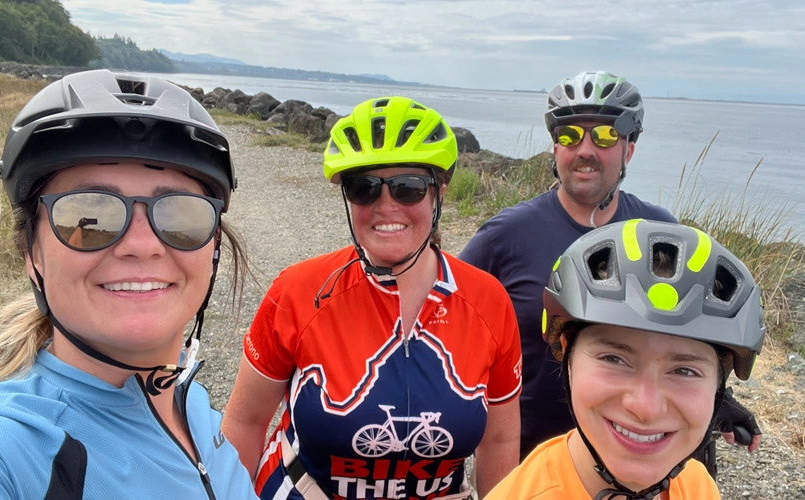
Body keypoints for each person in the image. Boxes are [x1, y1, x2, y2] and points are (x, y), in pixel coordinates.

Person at [0, 70, 259, 499]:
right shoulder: (10, 445)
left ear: (213, 248)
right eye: (89, 215)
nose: (142, 245)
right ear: (33, 254)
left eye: (181, 215)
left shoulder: (190, 401)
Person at [222, 96, 522, 500]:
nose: (385, 207)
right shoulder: (298, 291)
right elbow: (245, 420)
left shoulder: (487, 302)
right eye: (363, 189)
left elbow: (500, 441)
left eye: (408, 188)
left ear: (439, 192)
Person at [459, 70, 761, 470]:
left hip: (634, 459)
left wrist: (718, 401)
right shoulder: (506, 236)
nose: (585, 149)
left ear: (629, 150)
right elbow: (448, 317)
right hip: (531, 459)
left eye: (603, 136)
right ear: (555, 148)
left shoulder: (659, 234)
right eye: (569, 136)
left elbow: (683, 333)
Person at [487, 219, 765, 499]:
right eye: (614, 359)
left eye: (684, 371)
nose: (646, 408)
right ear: (567, 354)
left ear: (718, 387)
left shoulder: (697, 486)